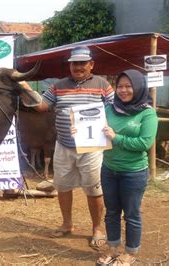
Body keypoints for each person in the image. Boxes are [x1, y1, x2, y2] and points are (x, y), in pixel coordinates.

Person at [20, 46, 114, 249]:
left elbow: (115, 109)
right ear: (70, 65)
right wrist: (26, 88)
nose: (78, 67)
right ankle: (66, 224)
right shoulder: (58, 86)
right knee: (63, 187)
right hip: (63, 145)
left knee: (93, 188)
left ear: (91, 64)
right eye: (74, 63)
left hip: (92, 147)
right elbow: (41, 106)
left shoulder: (103, 84)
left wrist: (109, 126)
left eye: (82, 63)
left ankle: (97, 228)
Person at [96, 69, 158, 265]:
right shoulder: (109, 109)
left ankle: (130, 252)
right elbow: (95, 132)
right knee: (112, 211)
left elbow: (144, 143)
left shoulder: (147, 113)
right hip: (108, 169)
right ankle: (113, 248)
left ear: (139, 88)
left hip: (134, 172)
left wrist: (117, 138)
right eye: (120, 86)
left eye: (128, 86)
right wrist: (78, 130)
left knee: (131, 214)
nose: (123, 90)